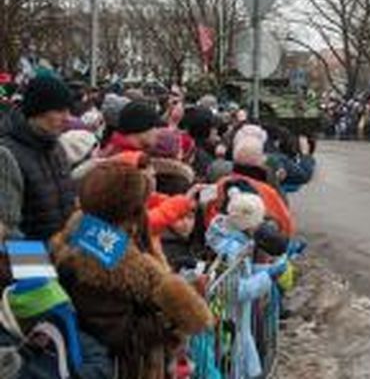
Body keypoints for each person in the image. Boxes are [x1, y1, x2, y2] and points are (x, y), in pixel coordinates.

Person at [50, 161, 213, 379]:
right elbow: (116, 331)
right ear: (130, 209)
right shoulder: (122, 265)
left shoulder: (75, 236)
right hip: (129, 368)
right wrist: (168, 321)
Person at [0, 75, 76, 240]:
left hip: (60, 254)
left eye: (68, 110)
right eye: (59, 110)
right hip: (29, 259)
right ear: (37, 111)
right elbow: (7, 228)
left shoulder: (57, 147)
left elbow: (67, 201)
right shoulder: (6, 154)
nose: (68, 118)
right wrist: (37, 264)